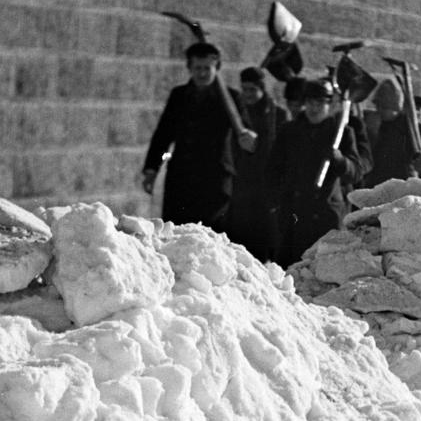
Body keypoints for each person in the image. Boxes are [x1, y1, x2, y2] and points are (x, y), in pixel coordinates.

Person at [141, 41, 256, 228]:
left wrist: (249, 139)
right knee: (175, 233)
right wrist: (152, 169)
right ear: (189, 68)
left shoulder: (231, 99)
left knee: (209, 239)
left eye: (207, 68)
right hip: (181, 179)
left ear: (216, 68)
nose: (202, 73)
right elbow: (164, 135)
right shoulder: (179, 96)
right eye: (197, 68)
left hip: (215, 181)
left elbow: (245, 134)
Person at [270, 78, 369, 266]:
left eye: (320, 103)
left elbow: (356, 171)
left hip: (326, 215)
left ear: (329, 105)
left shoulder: (342, 133)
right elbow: (272, 170)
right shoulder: (289, 132)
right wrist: (276, 203)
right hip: (294, 215)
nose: (314, 108)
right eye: (310, 103)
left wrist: (340, 160)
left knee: (325, 272)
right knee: (291, 272)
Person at [228, 66, 287, 261]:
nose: (248, 94)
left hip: (266, 188)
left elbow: (279, 152)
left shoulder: (278, 115)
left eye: (252, 89)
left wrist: (258, 144)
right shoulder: (239, 115)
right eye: (244, 89)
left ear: (262, 89)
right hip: (242, 186)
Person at [367, 77, 421, 185]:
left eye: (385, 108)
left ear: (396, 108)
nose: (380, 110)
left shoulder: (410, 126)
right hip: (376, 184)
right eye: (378, 106)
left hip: (404, 185)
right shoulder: (372, 122)